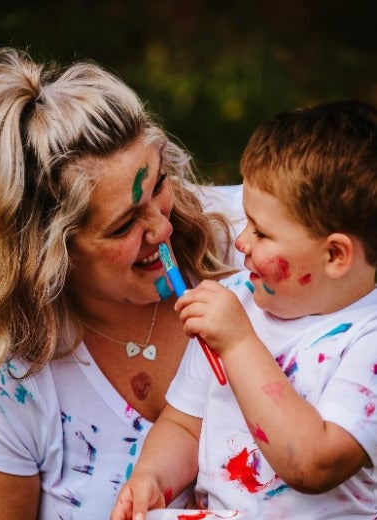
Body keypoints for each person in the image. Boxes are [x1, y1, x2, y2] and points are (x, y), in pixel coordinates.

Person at [0, 47, 246, 519]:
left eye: (159, 184)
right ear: (46, 253)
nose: (162, 230)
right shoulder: (4, 369)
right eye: (122, 227)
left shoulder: (255, 238)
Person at [111, 100, 377, 520]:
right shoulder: (237, 299)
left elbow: (313, 464)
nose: (241, 243)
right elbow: (184, 424)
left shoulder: (367, 340)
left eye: (262, 232)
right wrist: (151, 478)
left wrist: (237, 344)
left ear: (336, 255)